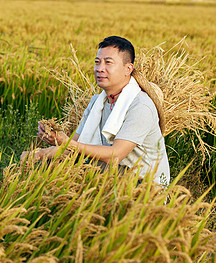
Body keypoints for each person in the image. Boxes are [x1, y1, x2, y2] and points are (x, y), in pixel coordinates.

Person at [21, 36, 170, 186]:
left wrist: (66, 143)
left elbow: (115, 155)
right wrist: (41, 153)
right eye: (97, 62)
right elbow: (74, 146)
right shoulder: (98, 102)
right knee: (52, 164)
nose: (100, 69)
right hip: (114, 169)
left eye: (108, 63)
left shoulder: (140, 106)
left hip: (143, 182)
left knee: (76, 172)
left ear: (128, 69)